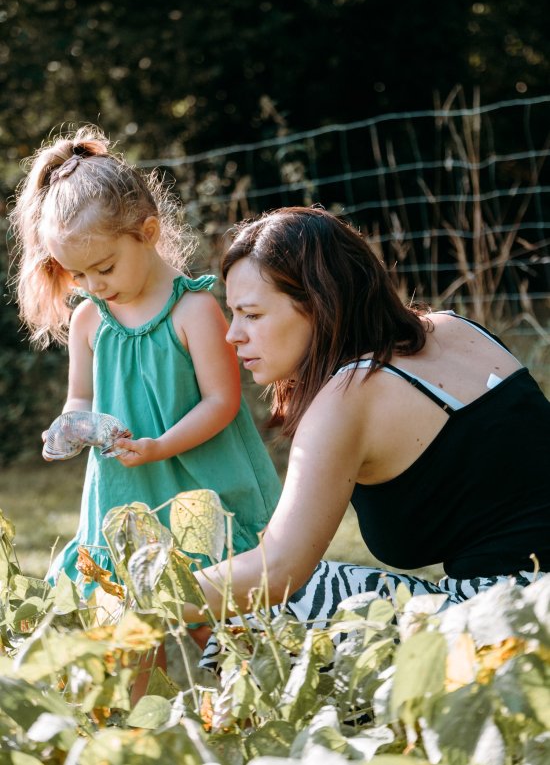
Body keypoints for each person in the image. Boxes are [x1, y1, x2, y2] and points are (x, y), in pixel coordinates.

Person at [180, 205, 550, 633]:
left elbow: (278, 569)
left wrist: (144, 601)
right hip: (530, 601)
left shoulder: (349, 398)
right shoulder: (454, 329)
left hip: (517, 619)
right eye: (233, 313)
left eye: (253, 314)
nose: (233, 334)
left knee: (257, 609)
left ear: (319, 305)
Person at [9, 126, 282, 595]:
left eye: (105, 267)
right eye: (77, 274)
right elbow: (81, 397)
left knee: (213, 599)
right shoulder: (88, 321)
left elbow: (222, 401)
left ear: (148, 233)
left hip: (199, 479)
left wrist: (159, 446)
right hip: (124, 485)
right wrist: (70, 426)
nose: (93, 285)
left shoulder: (193, 311)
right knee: (128, 603)